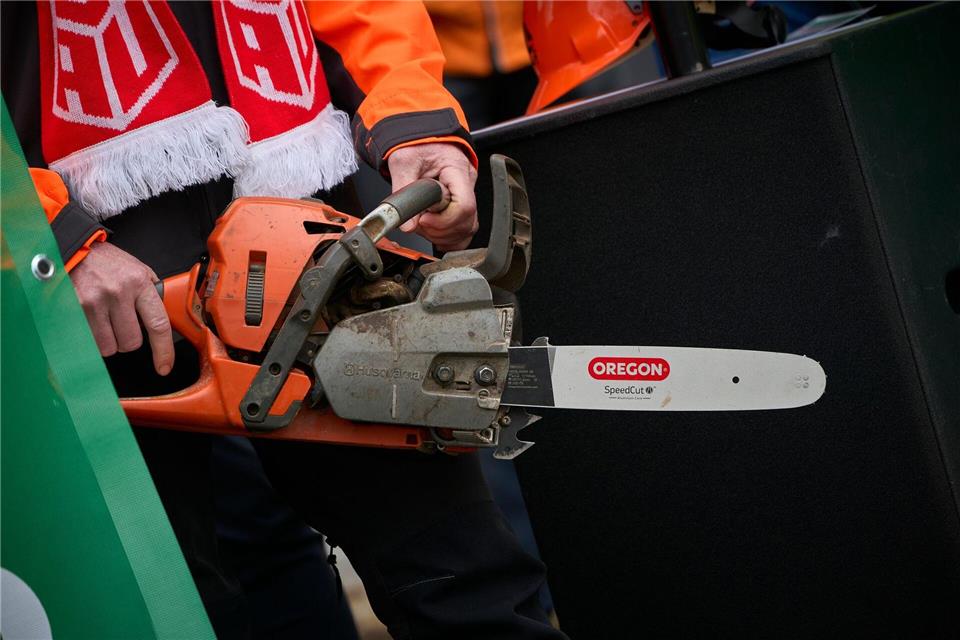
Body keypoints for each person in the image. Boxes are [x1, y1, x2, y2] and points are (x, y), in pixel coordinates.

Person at [1, 2, 565, 638]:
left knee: (465, 579)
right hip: (93, 291)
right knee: (160, 610)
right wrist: (44, 233)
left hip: (309, 236)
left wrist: (416, 122)